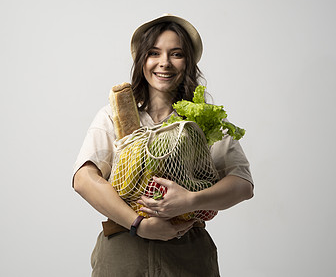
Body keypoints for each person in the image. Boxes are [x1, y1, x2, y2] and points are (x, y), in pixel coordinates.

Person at [73, 14, 254, 277]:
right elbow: (84, 178)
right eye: (154, 53)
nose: (164, 63)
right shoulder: (114, 115)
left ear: (188, 62)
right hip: (123, 253)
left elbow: (242, 185)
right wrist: (138, 224)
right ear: (142, 61)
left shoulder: (201, 119)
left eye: (176, 54)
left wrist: (190, 200)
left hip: (188, 256)